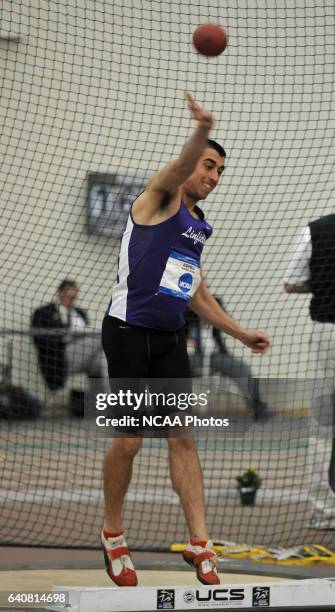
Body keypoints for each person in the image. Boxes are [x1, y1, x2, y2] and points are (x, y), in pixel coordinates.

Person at [101, 92, 270, 587]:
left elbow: (193, 291)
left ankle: (200, 542)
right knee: (129, 441)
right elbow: (178, 166)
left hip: (171, 340)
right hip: (128, 334)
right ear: (189, 165)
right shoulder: (157, 199)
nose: (212, 177)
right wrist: (203, 128)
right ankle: (113, 534)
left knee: (182, 437)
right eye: (208, 166)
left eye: (219, 171)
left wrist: (240, 332)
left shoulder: (197, 227)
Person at [284, 214, 335, 529]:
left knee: (323, 423)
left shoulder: (316, 230)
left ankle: (326, 509)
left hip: (327, 334)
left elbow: (290, 282)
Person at [184, 298, 270, 420]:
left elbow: (224, 319)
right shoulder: (181, 304)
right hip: (190, 357)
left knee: (241, 368)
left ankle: (258, 407)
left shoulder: (215, 302)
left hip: (217, 356)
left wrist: (209, 312)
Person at [32, 279, 107, 393]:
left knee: (104, 358)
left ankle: (105, 398)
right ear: (60, 293)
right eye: (68, 296)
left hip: (84, 356)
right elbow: (39, 340)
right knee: (103, 335)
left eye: (73, 297)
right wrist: (65, 337)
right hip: (61, 355)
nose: (71, 300)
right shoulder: (44, 312)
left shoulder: (80, 313)